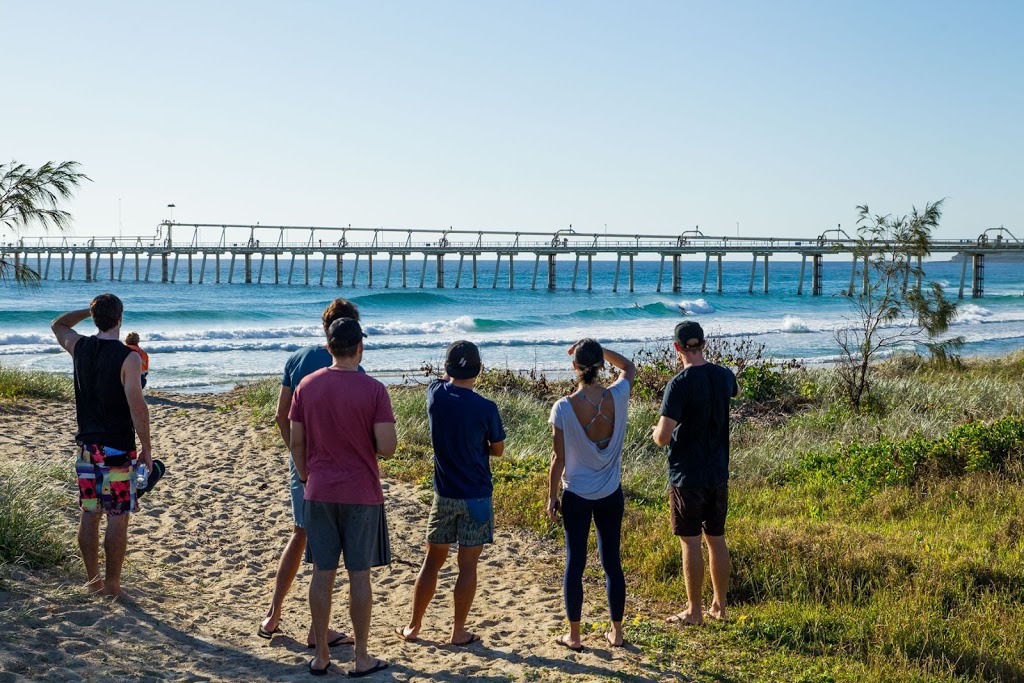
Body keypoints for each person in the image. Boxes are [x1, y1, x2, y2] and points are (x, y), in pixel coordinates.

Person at [291, 317, 397, 677]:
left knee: (322, 574)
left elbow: (297, 442)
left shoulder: (306, 386)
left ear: (328, 347)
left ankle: (321, 654)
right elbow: (388, 447)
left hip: (319, 490)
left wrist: (306, 476)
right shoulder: (374, 390)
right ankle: (361, 656)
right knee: (359, 575)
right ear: (359, 348)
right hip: (361, 492)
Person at [259, 299, 360, 649]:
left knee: (300, 534)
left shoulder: (297, 358)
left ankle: (273, 615)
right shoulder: (352, 368)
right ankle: (319, 631)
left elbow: (280, 415)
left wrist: (295, 453)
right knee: (328, 550)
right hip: (334, 467)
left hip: (301, 463)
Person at [397, 341, 506, 646]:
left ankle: (414, 626)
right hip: (477, 494)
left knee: (432, 563)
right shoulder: (486, 408)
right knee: (467, 566)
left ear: (446, 368)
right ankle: (458, 630)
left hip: (444, 493)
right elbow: (498, 450)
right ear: (479, 369)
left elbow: (443, 381)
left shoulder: (435, 394)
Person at [50, 294, 153, 599]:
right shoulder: (129, 357)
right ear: (120, 319)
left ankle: (93, 580)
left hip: (87, 447)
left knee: (90, 511)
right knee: (118, 514)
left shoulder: (80, 347)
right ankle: (112, 586)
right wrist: (146, 448)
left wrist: (90, 310)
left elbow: (58, 324)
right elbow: (138, 405)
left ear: (94, 319)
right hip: (118, 449)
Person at [546, 339, 636, 651]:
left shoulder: (562, 408)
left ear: (574, 367)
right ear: (601, 366)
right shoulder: (618, 395)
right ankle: (617, 633)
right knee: (612, 561)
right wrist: (602, 348)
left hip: (577, 495)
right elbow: (629, 367)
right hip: (610, 493)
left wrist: (551, 496)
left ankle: (573, 636)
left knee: (576, 563)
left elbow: (558, 459)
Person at [651, 321, 739, 626]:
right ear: (703, 343)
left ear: (677, 348)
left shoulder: (680, 383)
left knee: (689, 542)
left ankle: (694, 611)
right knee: (716, 539)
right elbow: (734, 388)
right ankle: (720, 606)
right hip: (718, 471)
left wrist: (654, 433)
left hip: (688, 475)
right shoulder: (723, 375)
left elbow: (663, 437)